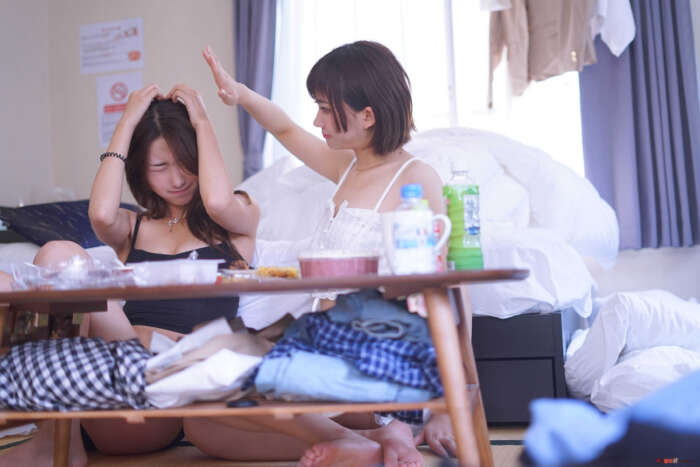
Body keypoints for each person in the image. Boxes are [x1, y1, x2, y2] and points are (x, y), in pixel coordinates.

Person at [186, 41, 455, 466]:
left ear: (368, 116)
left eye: (326, 109)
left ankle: (382, 431)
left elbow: (441, 292)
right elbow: (286, 130)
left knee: (224, 376)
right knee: (199, 424)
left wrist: (444, 407)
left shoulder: (415, 179)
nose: (318, 120)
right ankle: (367, 443)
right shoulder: (348, 167)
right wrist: (240, 94)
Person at [0, 83, 260, 466]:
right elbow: (101, 214)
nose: (178, 179)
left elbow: (218, 201)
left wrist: (202, 122)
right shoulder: (134, 227)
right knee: (56, 255)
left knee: (58, 267)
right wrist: (127, 120)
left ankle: (52, 442)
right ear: (141, 170)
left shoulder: (236, 219)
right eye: (160, 167)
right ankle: (56, 438)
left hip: (159, 397)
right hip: (99, 388)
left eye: (186, 162)